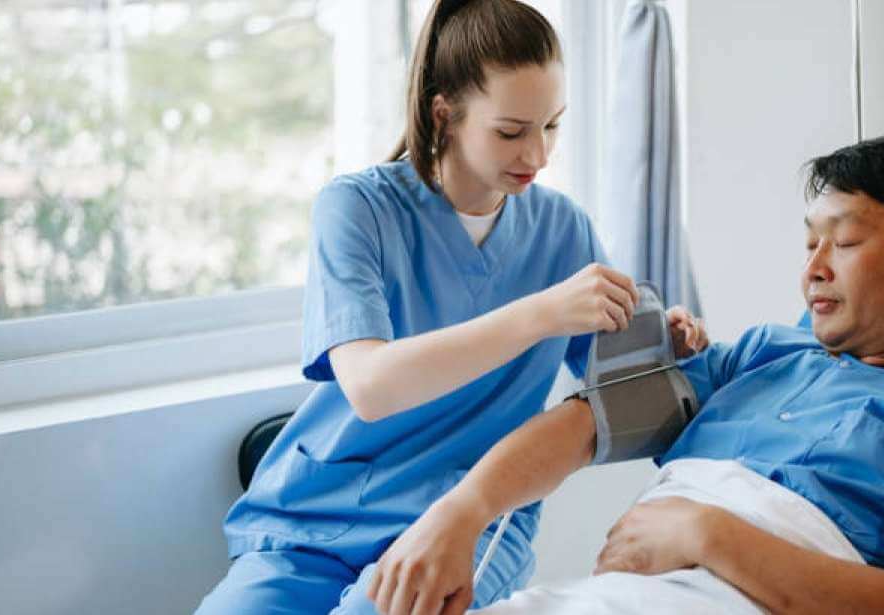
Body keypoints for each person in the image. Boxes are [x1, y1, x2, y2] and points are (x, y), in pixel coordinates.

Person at [372, 136, 884, 615]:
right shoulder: (760, 356)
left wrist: (707, 534)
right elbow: (586, 423)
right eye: (809, 242)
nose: (813, 269)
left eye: (846, 242)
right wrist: (459, 514)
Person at [195, 1, 707, 613]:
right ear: (445, 115)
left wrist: (662, 341)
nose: (538, 156)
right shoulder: (357, 209)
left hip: (466, 520)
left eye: (552, 126)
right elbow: (371, 387)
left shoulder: (562, 229)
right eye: (511, 132)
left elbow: (614, 380)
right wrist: (541, 313)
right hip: (317, 516)